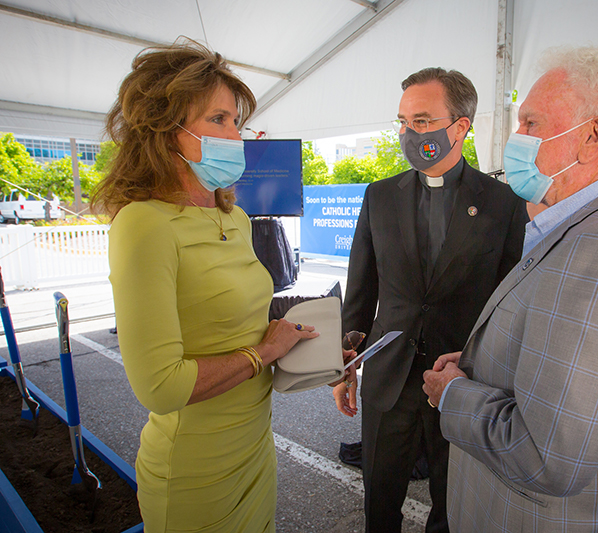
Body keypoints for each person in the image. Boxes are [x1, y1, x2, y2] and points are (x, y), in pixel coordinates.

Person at [423, 45, 598, 532]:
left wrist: (453, 394)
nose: (516, 137)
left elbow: (546, 454)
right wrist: (480, 364)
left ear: (592, 136)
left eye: (530, 123)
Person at [92, 40, 354, 533]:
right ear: (166, 130)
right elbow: (160, 386)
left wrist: (315, 352)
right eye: (218, 120)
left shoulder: (232, 216)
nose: (236, 134)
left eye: (236, 120)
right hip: (195, 471)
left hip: (254, 450)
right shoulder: (143, 225)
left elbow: (247, 322)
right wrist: (265, 353)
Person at [333, 67, 527, 533]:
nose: (407, 133)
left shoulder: (504, 202)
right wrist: (343, 365)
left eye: (421, 121)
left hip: (460, 377)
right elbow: (361, 289)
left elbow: (512, 300)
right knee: (379, 501)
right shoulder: (379, 197)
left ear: (460, 126)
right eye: (402, 121)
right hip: (388, 375)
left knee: (452, 503)